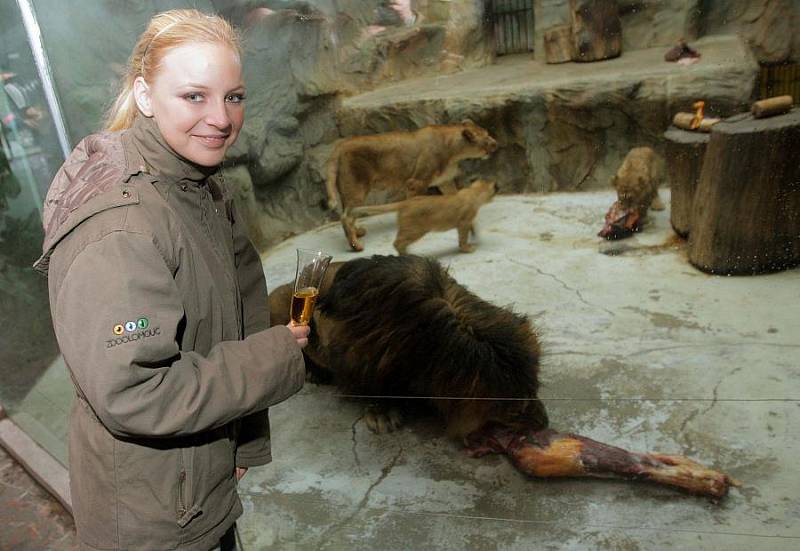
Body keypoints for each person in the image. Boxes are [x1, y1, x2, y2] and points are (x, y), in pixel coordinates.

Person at [32, 9, 309, 550]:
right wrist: (277, 359)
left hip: (197, 487)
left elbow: (227, 315)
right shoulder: (123, 225)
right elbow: (135, 390)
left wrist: (241, 447)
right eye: (194, 96)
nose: (222, 118)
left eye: (233, 96)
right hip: (155, 521)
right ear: (143, 94)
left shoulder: (192, 184)